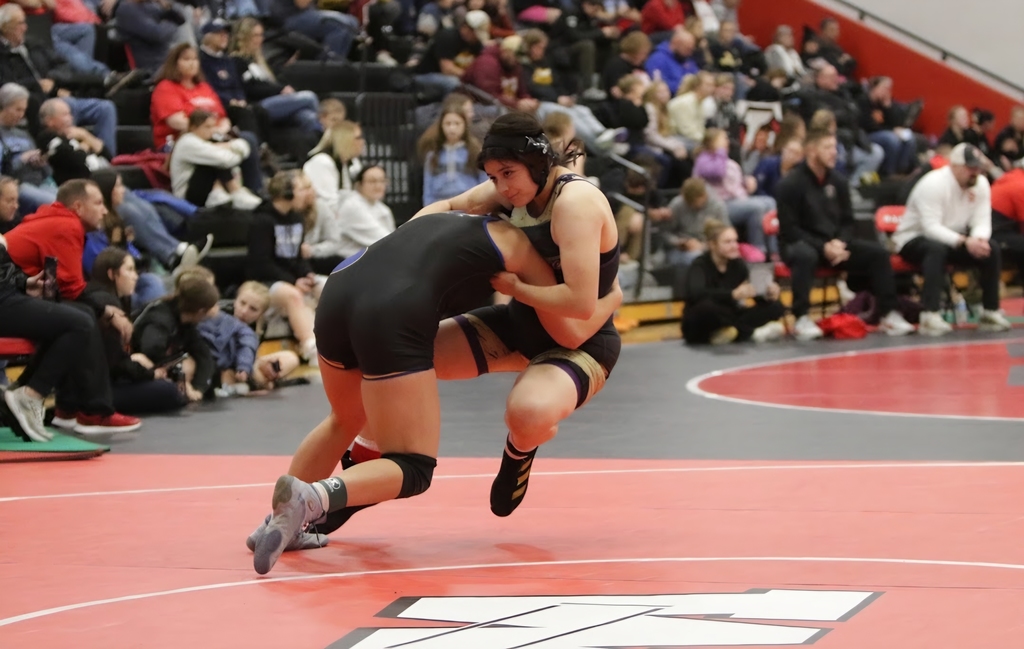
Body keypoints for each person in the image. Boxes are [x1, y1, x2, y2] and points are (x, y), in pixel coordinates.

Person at [246, 113, 623, 553]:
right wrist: (402, 248)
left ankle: (519, 451)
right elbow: (444, 208)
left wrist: (524, 288)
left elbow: (578, 308)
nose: (502, 188)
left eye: (508, 175)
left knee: (527, 414)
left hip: (579, 336)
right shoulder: (511, 192)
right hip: (520, 323)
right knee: (401, 374)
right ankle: (336, 483)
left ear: (536, 163)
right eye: (493, 177)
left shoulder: (574, 203)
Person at [2, 179, 143, 434]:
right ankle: (85, 408)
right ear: (77, 206)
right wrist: (108, 312)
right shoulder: (65, 224)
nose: (104, 210)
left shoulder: (55, 220)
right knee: (83, 318)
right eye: (98, 203)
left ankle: (70, 407)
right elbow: (71, 286)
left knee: (83, 314)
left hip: (15, 293)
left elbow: (62, 284)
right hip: (7, 298)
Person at [776, 129, 916, 340]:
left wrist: (840, 243)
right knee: (805, 255)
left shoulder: (839, 182)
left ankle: (889, 313)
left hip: (835, 245)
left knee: (877, 253)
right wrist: (823, 247)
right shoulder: (790, 184)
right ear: (812, 151)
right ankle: (801, 317)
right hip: (800, 243)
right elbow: (790, 229)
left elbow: (848, 222)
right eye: (828, 148)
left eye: (835, 147)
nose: (835, 153)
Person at [893, 143, 1011, 336]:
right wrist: (964, 242)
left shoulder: (980, 184)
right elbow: (930, 228)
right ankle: (930, 314)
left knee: (991, 249)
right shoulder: (933, 184)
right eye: (970, 167)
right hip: (913, 239)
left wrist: (978, 240)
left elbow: (982, 220)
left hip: (952, 239)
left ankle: (989, 311)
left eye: (977, 167)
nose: (975, 172)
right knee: (935, 249)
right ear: (954, 166)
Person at [80, 248, 187, 414]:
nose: (135, 276)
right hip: (95, 390)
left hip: (92, 382)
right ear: (112, 274)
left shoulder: (99, 297)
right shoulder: (109, 307)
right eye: (129, 270)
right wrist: (150, 374)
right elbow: (116, 363)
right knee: (171, 392)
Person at [246, 170, 321, 364]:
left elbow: (297, 256)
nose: (305, 194)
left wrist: (307, 274)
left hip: (290, 277)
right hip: (264, 280)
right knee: (292, 295)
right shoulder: (261, 221)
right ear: (286, 193)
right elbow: (261, 263)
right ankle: (311, 346)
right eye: (299, 189)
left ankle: (342, 342)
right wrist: (294, 281)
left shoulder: (296, 218)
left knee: (327, 286)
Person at [681, 219, 786, 344]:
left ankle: (730, 332)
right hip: (704, 319)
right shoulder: (700, 264)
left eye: (735, 241)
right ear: (713, 245)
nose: (734, 246)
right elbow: (696, 294)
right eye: (727, 242)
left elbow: (756, 295)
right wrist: (732, 294)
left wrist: (768, 295)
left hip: (731, 314)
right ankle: (749, 333)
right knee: (707, 308)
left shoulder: (738, 264)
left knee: (776, 306)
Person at [199, 279, 301, 397]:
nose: (244, 311)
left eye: (253, 309)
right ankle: (251, 384)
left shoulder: (259, 328)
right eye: (242, 303)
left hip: (247, 363)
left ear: (261, 313)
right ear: (236, 300)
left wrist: (264, 365)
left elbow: (249, 350)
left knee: (291, 358)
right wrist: (244, 367)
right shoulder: (219, 316)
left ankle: (265, 379)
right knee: (233, 374)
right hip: (226, 365)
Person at [131, 275, 219, 403]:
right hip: (136, 366)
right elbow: (150, 352)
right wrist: (179, 377)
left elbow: (204, 355)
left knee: (191, 365)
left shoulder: (186, 322)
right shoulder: (161, 318)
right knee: (145, 361)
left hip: (158, 368)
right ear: (201, 311)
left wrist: (199, 388)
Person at [168, 109, 263, 209]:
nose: (212, 130)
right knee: (213, 161)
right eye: (207, 127)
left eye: (213, 126)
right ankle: (233, 192)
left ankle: (233, 191)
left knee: (215, 158)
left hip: (205, 188)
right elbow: (226, 160)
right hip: (187, 195)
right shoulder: (188, 142)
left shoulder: (209, 139)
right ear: (193, 127)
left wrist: (228, 147)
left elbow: (243, 145)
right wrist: (236, 152)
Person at [418, 104, 487, 206]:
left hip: (468, 205)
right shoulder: (433, 155)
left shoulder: (474, 152)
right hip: (440, 206)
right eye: (448, 123)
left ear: (465, 125)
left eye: (457, 123)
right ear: (441, 126)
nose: (452, 128)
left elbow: (484, 184)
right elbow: (428, 190)